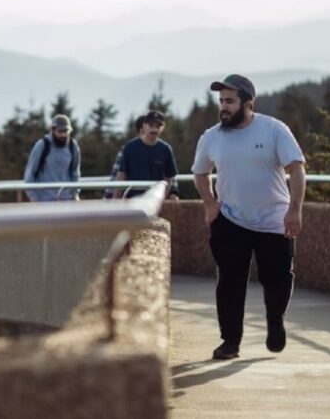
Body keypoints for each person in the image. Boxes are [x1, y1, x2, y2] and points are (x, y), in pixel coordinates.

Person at [191, 74, 306, 360]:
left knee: (278, 280)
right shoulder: (211, 137)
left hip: (275, 220)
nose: (224, 107)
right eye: (221, 101)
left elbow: (296, 169)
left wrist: (294, 209)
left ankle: (275, 320)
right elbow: (200, 173)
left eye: (230, 101)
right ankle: (230, 342)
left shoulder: (274, 129)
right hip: (230, 220)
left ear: (248, 103)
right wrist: (210, 204)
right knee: (229, 283)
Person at [105, 114, 180, 199]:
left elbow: (170, 177)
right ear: (143, 128)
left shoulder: (165, 149)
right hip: (132, 198)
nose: (154, 130)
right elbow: (118, 175)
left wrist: (172, 193)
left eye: (157, 126)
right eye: (151, 126)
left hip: (155, 198)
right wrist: (112, 199)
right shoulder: (129, 148)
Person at [24, 114, 81, 202]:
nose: (63, 135)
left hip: (67, 199)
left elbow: (75, 172)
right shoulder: (42, 145)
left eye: (66, 131)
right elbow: (30, 173)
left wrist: (75, 194)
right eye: (60, 131)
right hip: (45, 200)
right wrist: (34, 198)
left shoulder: (72, 146)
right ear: (53, 130)